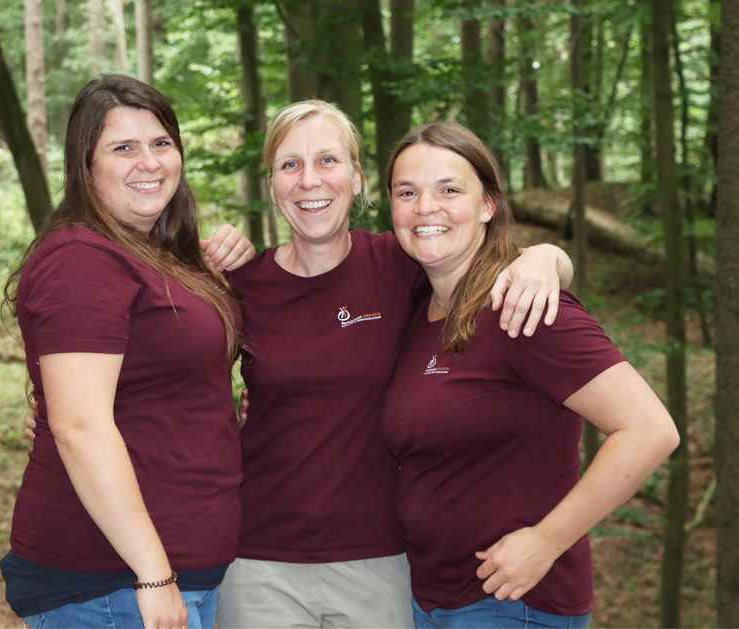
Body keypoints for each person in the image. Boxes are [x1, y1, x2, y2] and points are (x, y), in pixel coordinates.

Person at [214, 101, 575, 628]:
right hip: (259, 560)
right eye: (290, 165)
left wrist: (546, 256)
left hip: (382, 559)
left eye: (328, 161)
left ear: (359, 180)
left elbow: (492, 265)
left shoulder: (405, 262)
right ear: (271, 184)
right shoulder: (241, 285)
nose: (309, 179)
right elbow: (165, 372)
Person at [380, 121, 680, 628]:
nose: (425, 207)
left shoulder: (524, 308)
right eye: (407, 192)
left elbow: (650, 431)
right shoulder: (418, 310)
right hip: (431, 598)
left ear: (487, 205)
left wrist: (548, 540)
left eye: (449, 190)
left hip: (511, 603)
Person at [1, 74, 255, 629]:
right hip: (115, 582)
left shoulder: (155, 254)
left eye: (161, 143)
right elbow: (79, 427)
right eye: (123, 147)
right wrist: (153, 573)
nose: (150, 162)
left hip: (174, 573)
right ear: (85, 165)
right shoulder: (81, 259)